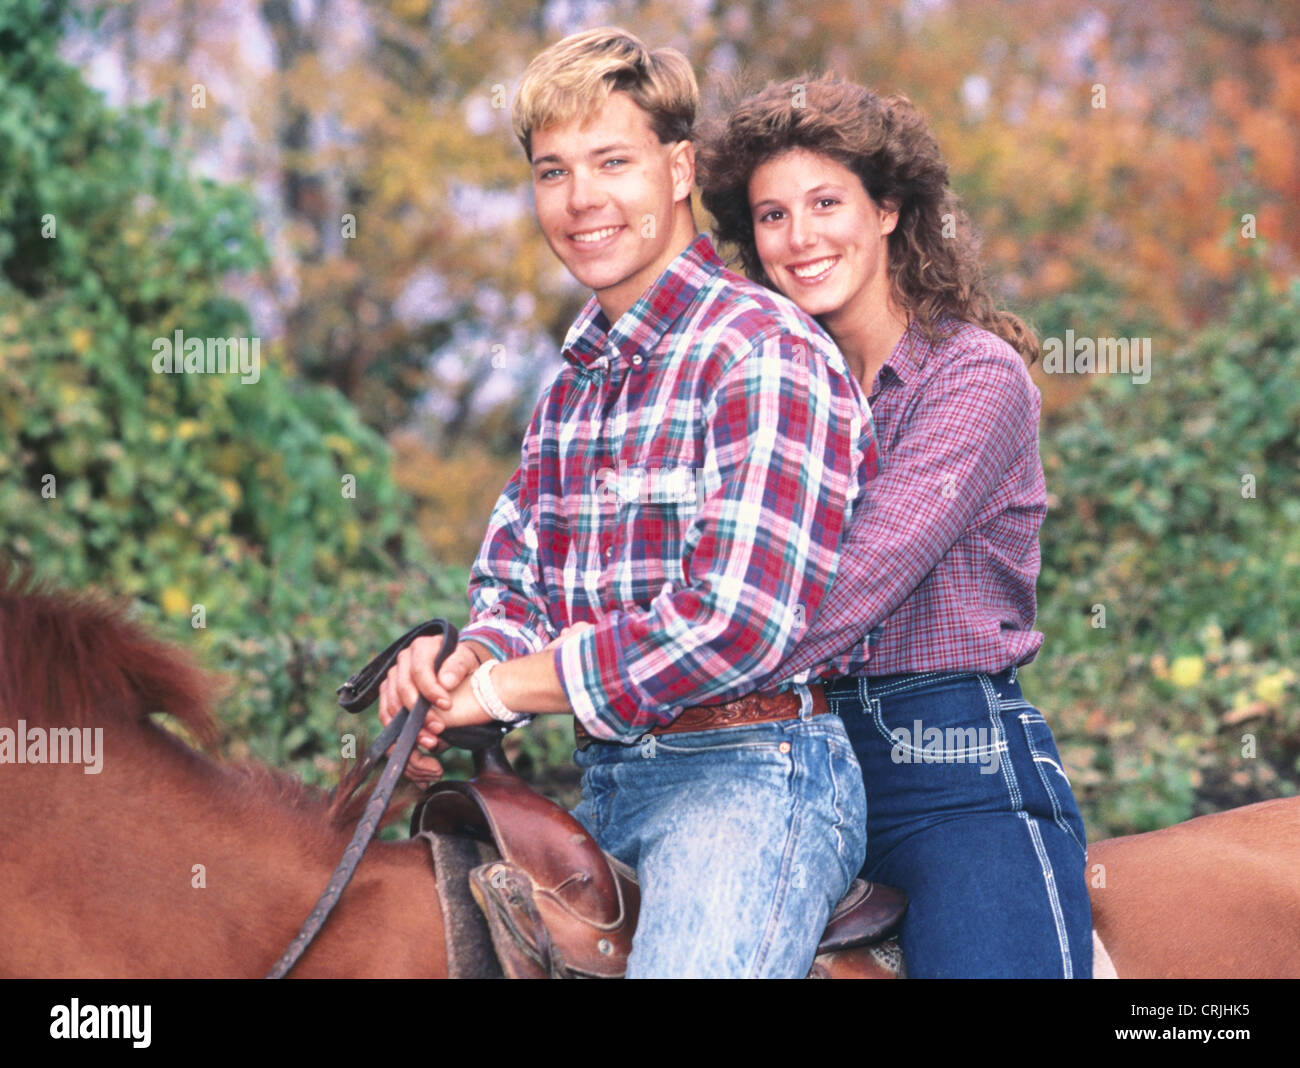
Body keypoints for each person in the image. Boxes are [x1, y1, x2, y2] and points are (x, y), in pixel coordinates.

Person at [377, 29, 876, 978]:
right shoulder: (571, 381)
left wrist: (503, 691)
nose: (581, 200)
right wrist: (458, 665)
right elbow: (519, 589)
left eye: (613, 161)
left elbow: (735, 621)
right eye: (553, 171)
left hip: (752, 780)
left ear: (679, 168)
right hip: (600, 781)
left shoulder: (759, 349)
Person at [697, 74, 1094, 978]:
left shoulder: (973, 378)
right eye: (771, 216)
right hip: (777, 755)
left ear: (886, 212)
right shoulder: (775, 387)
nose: (799, 238)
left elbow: (847, 590)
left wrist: (633, 669)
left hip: (950, 772)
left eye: (826, 202)